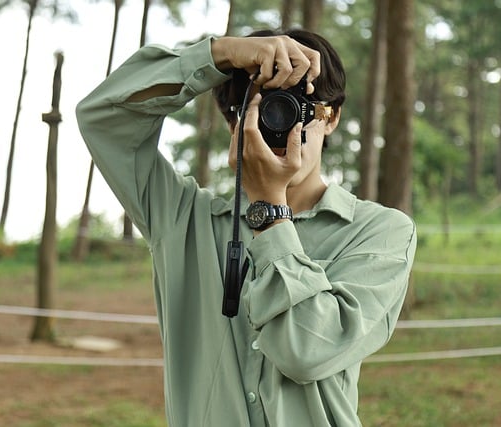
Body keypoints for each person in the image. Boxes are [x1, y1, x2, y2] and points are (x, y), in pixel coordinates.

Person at [76, 28, 416, 427]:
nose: (279, 121)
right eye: (259, 107)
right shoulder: (183, 217)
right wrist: (219, 55)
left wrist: (268, 209)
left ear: (332, 117)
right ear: (233, 122)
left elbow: (307, 351)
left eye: (297, 106)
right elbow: (103, 115)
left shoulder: (379, 232)